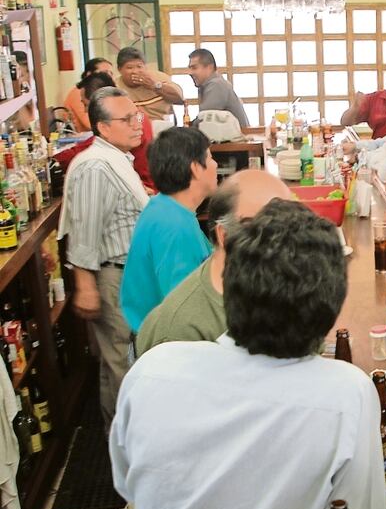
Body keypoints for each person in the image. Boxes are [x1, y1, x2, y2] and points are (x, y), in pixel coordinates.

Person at [108, 200, 386, 509]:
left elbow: (127, 481)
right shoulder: (347, 393)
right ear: (330, 309)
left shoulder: (154, 367)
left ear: (230, 287)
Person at [56, 87, 149, 427]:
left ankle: (126, 438)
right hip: (112, 276)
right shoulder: (96, 165)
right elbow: (84, 233)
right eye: (127, 119)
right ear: (103, 126)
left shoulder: (116, 158)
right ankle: (122, 443)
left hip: (128, 273)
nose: (137, 124)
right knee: (120, 363)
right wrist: (85, 285)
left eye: (136, 115)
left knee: (124, 357)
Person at [136, 170, 291, 357]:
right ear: (225, 235)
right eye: (265, 228)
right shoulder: (181, 330)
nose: (286, 239)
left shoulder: (276, 284)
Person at [120, 128, 217, 333]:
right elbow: (184, 310)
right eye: (210, 157)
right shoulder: (174, 227)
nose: (216, 165)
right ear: (196, 169)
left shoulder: (164, 206)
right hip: (166, 345)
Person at [55, 73, 156, 192]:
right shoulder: (139, 116)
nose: (86, 110)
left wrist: (54, 161)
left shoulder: (127, 124)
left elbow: (91, 146)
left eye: (86, 104)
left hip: (142, 188)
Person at [115, 47, 184, 122]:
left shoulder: (160, 78)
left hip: (160, 124)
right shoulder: (115, 87)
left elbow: (179, 100)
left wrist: (155, 86)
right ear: (119, 69)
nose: (135, 71)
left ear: (145, 66)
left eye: (139, 66)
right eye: (129, 68)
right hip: (131, 126)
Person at [187, 48, 249, 129]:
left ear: (209, 67)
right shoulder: (208, 85)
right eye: (190, 68)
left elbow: (204, 119)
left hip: (236, 140)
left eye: (194, 68)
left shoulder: (216, 84)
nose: (190, 73)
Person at [63, 56, 114, 132]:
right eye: (105, 72)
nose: (109, 76)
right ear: (89, 74)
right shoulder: (80, 92)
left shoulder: (109, 92)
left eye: (111, 73)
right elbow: (90, 124)